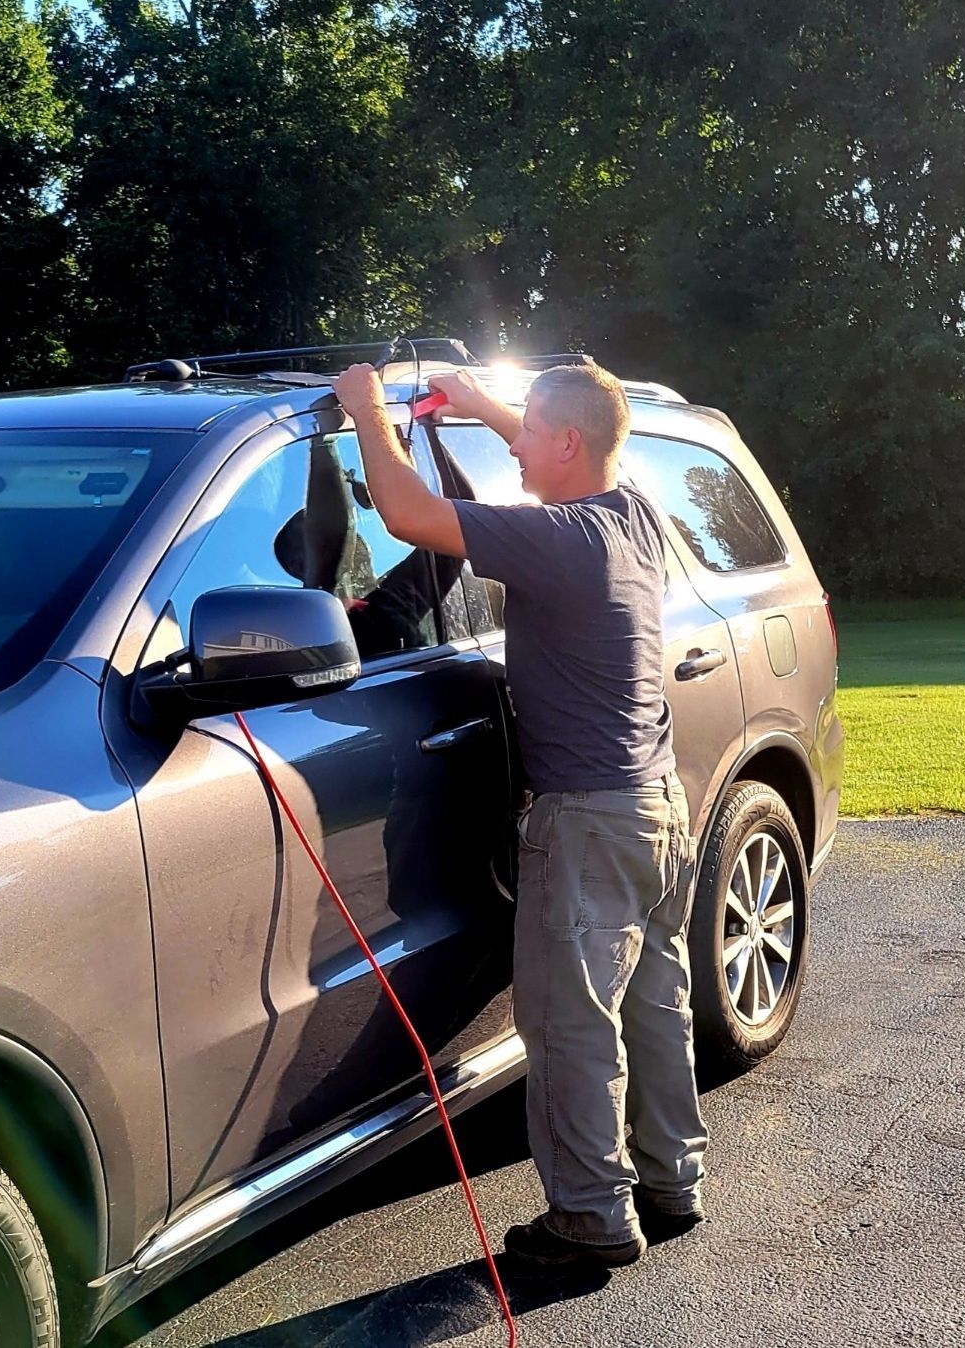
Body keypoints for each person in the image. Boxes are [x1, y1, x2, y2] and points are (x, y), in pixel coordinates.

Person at [331, 358, 708, 1271]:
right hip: (658, 811)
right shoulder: (632, 516)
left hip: (588, 821)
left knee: (573, 1026)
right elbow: (557, 445)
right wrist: (487, 406)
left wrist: (367, 411)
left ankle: (590, 1220)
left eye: (531, 432)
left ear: (569, 442)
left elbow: (408, 517)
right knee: (655, 1002)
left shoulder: (563, 538)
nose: (515, 448)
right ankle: (672, 1180)